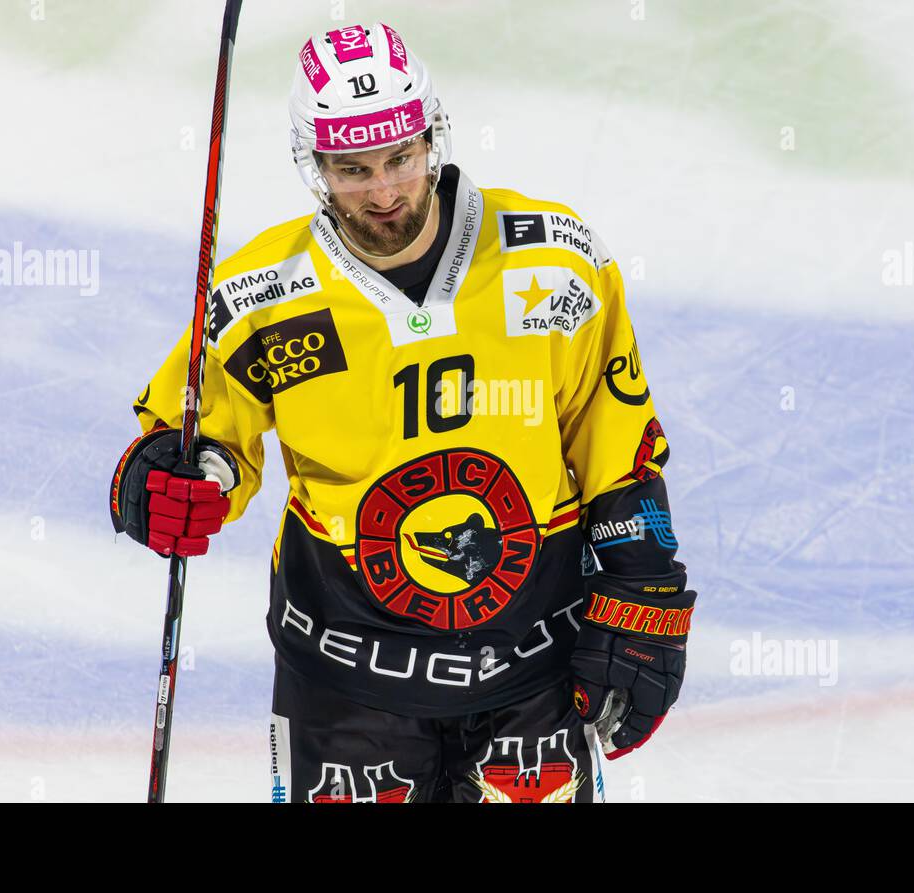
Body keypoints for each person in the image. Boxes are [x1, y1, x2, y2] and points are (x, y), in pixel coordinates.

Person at [110, 22, 695, 803]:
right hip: (345, 679)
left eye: (400, 158)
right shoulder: (263, 296)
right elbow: (198, 438)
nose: (385, 192)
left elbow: (614, 439)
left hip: (533, 666)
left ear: (432, 137)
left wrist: (643, 585)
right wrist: (171, 479)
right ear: (313, 165)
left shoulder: (553, 262)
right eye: (353, 169)